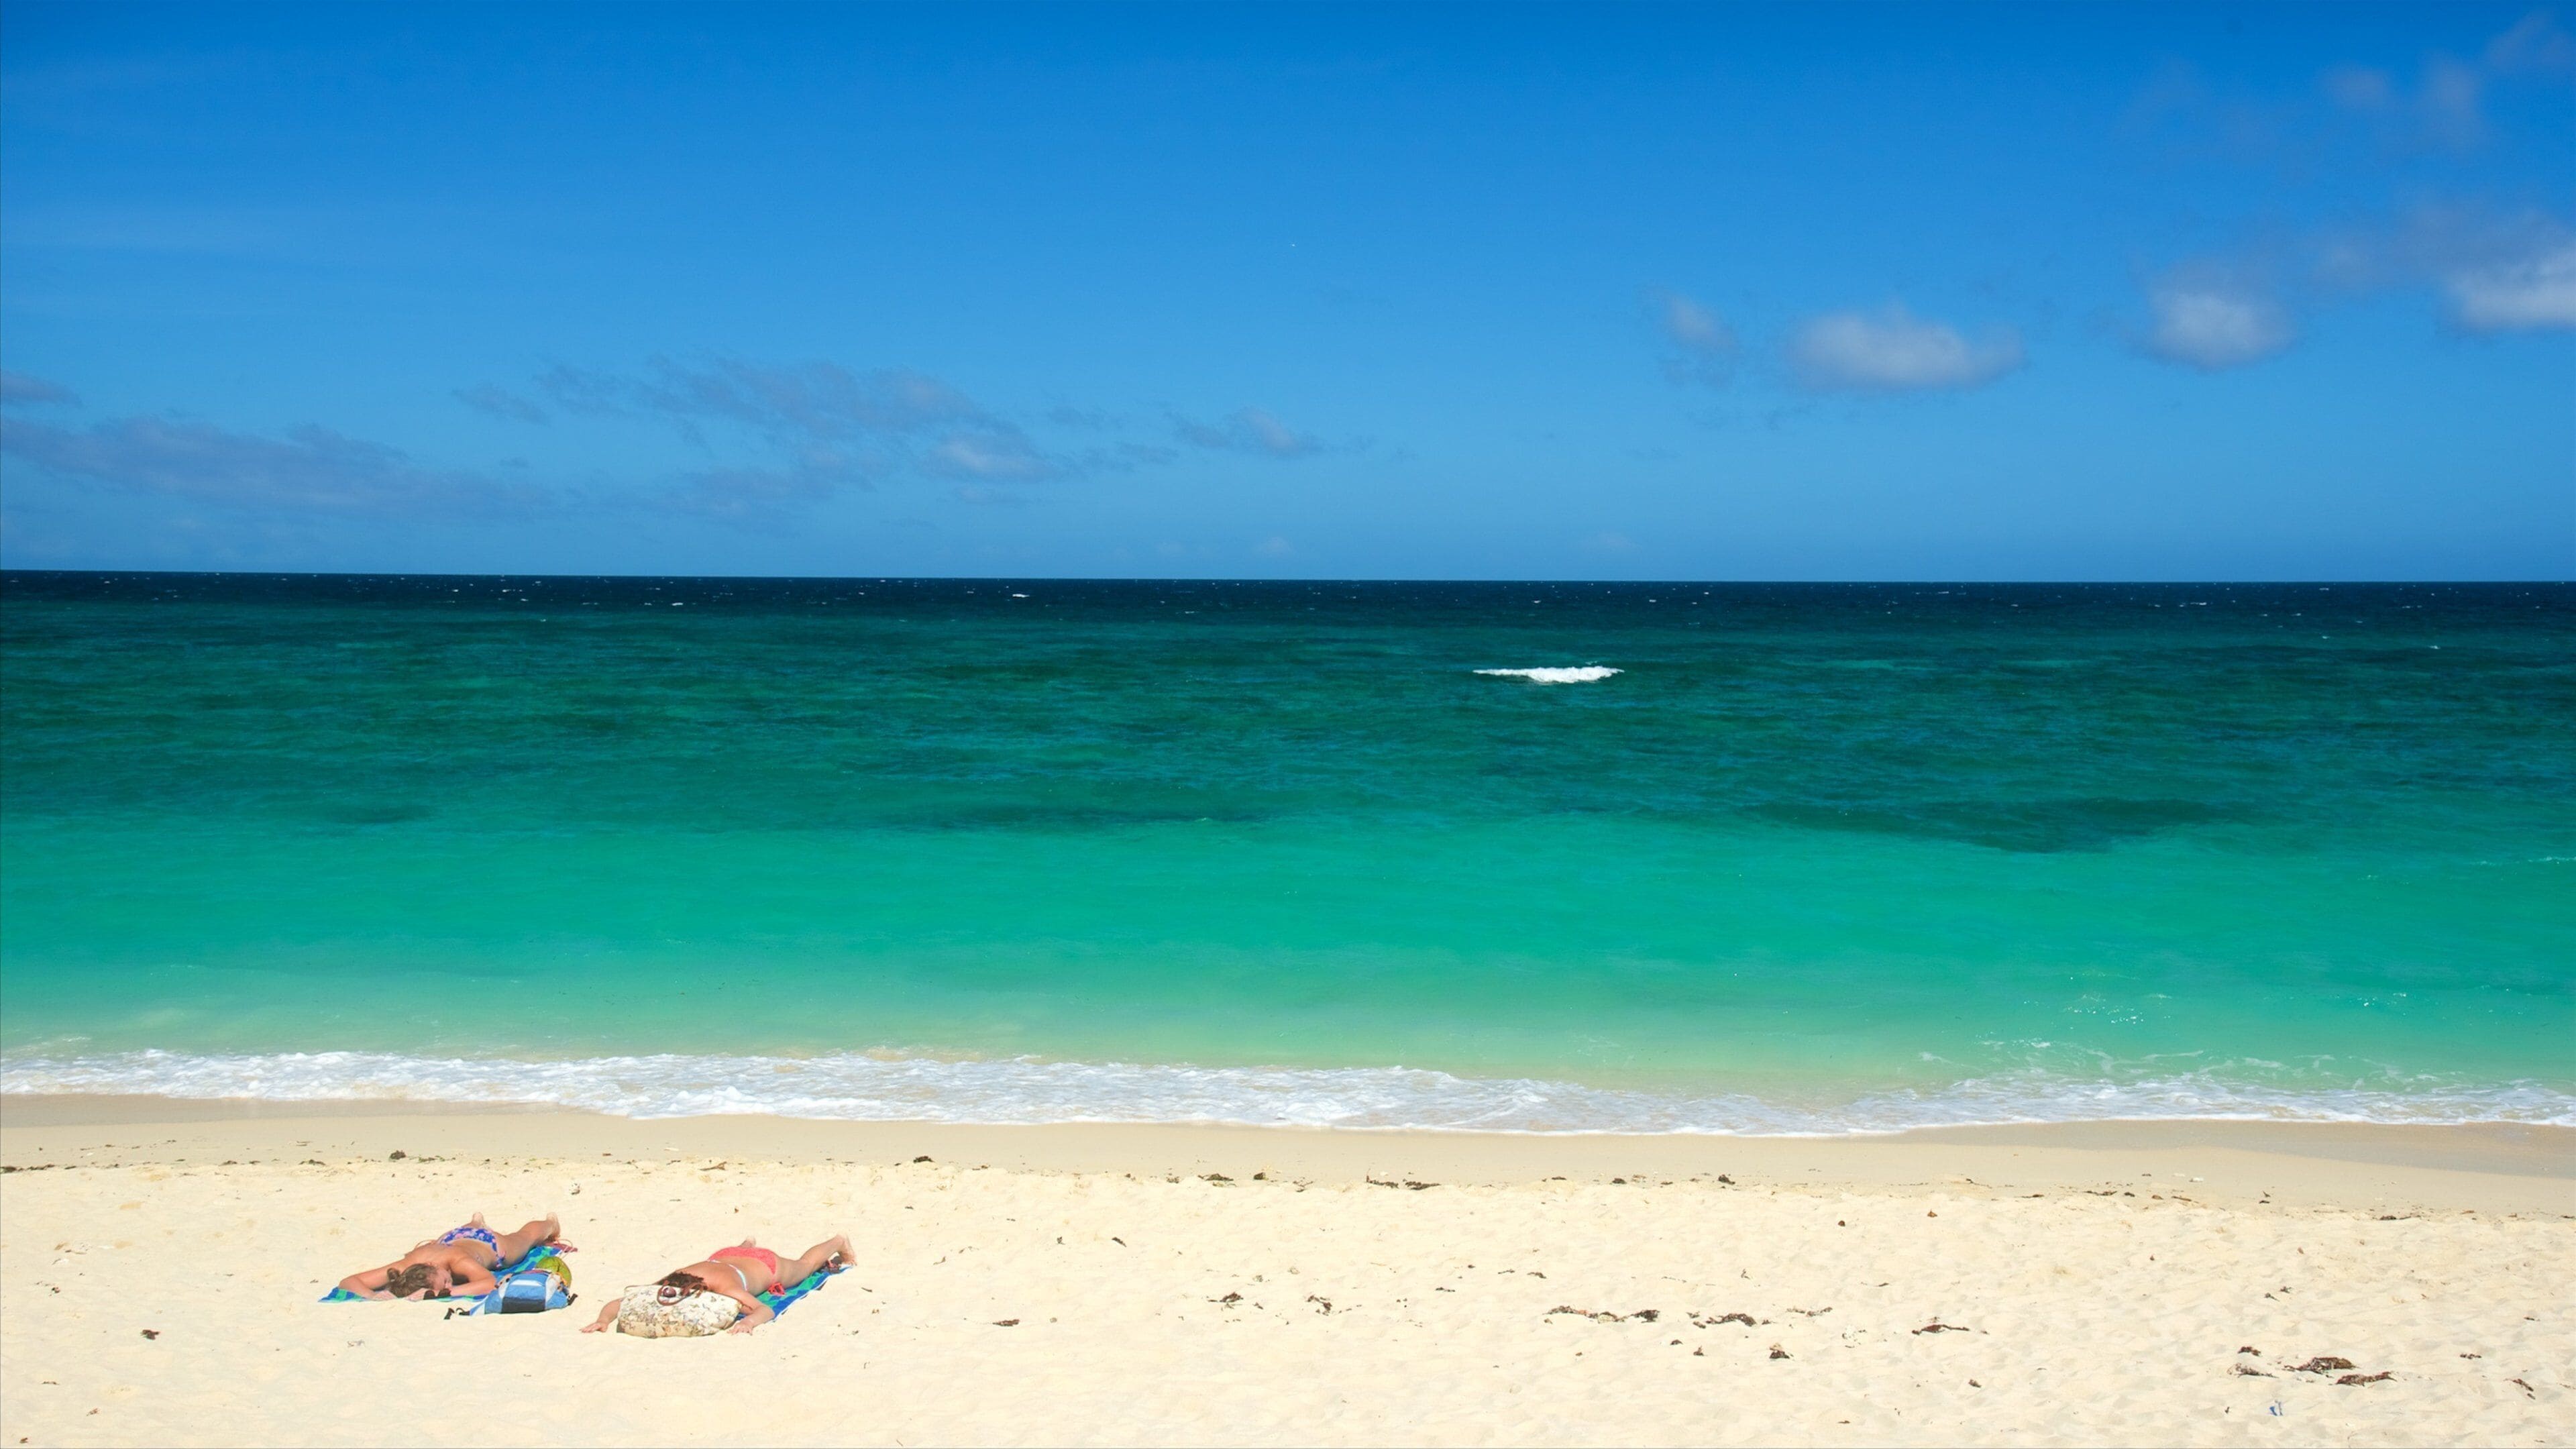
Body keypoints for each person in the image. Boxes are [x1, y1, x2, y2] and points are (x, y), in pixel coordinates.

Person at [582, 1234, 851, 1336]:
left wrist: (748, 1323)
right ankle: (745, 1246)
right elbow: (619, 1303)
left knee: (804, 1266)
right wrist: (603, 1320)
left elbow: (764, 1310)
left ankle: (839, 1242)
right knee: (735, 1257)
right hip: (724, 1257)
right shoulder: (672, 1282)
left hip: (766, 1265)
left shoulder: (727, 1290)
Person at [337, 1212, 572, 1301]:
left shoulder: (459, 1263)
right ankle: (475, 1220)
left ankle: (550, 1223)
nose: (450, 1281)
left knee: (525, 1237)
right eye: (447, 1283)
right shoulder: (405, 1266)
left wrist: (444, 1292)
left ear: (433, 1267)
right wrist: (370, 1295)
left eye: (446, 1279)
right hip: (452, 1237)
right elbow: (349, 1281)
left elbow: (490, 1282)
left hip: (489, 1244)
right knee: (519, 1237)